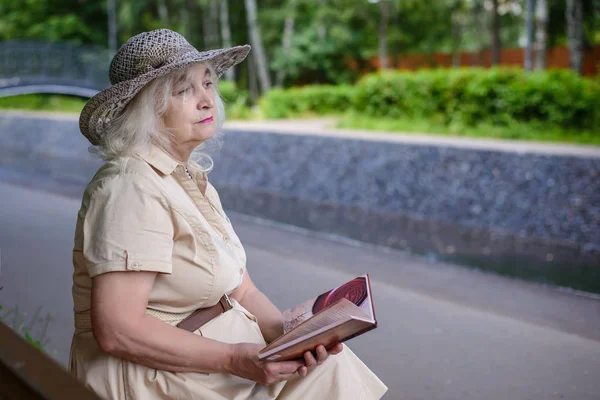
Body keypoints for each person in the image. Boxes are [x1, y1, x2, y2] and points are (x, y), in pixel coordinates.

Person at [69, 28, 388, 400]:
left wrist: (292, 337)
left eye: (207, 83)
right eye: (184, 90)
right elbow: (118, 330)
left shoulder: (188, 176)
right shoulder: (130, 187)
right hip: (155, 380)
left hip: (212, 368)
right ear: (146, 109)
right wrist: (237, 359)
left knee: (330, 363)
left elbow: (243, 288)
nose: (207, 100)